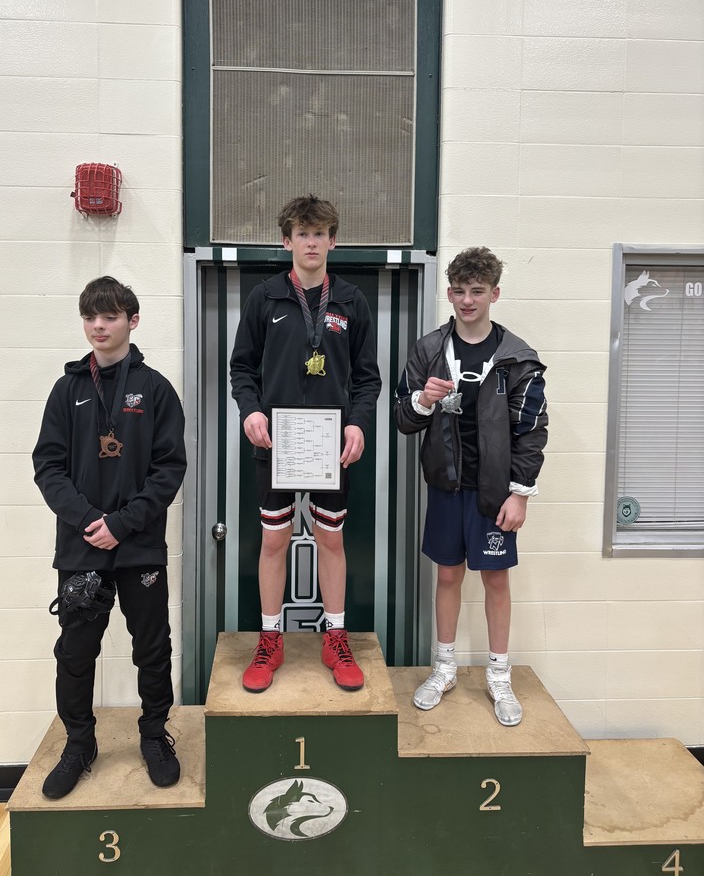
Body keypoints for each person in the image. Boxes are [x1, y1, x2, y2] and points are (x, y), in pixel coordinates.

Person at [33, 276, 186, 798]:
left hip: (139, 546)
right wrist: (87, 522)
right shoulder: (67, 389)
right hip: (81, 550)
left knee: (152, 648)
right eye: (90, 317)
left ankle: (153, 735)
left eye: (110, 316)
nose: (99, 326)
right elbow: (48, 466)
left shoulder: (158, 388)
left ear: (132, 321)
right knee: (76, 653)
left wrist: (120, 523)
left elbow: (169, 469)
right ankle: (79, 744)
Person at [230, 196, 381, 693]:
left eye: (320, 234)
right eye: (302, 233)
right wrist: (250, 410)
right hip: (276, 444)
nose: (311, 242)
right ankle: (269, 638)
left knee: (331, 538)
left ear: (333, 241)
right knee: (274, 539)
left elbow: (367, 378)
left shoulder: (352, 301)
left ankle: (335, 636)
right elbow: (242, 368)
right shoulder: (264, 298)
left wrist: (358, 423)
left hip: (330, 448)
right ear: (287, 241)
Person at [394, 248, 547, 725]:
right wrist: (422, 400)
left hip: (495, 491)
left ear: (494, 294)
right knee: (446, 576)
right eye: (459, 291)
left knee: (496, 579)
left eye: (477, 291)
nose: (467, 300)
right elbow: (402, 419)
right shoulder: (429, 350)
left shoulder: (518, 358)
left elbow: (532, 430)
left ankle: (499, 677)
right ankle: (445, 668)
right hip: (446, 485)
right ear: (449, 293)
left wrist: (520, 493)